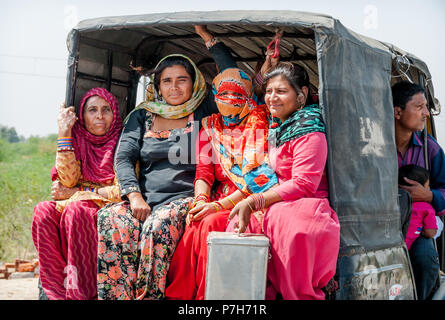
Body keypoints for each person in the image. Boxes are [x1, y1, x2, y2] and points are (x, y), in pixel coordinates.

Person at [96, 26, 237, 300]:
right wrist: (134, 196)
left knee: (157, 225)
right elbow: (123, 157)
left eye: (181, 80)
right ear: (157, 86)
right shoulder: (142, 116)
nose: (174, 87)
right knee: (110, 217)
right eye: (167, 81)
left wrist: (209, 40)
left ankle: (151, 297)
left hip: (187, 198)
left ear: (193, 82)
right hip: (144, 200)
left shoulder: (205, 110)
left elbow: (232, 78)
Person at [227, 62, 341, 300]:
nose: (271, 98)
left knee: (293, 227)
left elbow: (304, 184)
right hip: (277, 200)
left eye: (281, 91)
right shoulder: (277, 127)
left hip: (305, 203)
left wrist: (255, 202)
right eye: (268, 91)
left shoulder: (310, 129)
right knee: (232, 227)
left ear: (302, 95)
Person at [165, 67, 278, 300]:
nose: (229, 102)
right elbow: (204, 171)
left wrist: (216, 207)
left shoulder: (258, 122)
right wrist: (201, 200)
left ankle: (208, 297)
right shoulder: (211, 125)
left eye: (237, 96)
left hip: (248, 200)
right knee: (193, 224)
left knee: (209, 225)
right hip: (216, 198)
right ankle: (180, 296)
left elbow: (256, 179)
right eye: (222, 96)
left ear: (248, 98)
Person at [32, 88, 123, 300]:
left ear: (115, 113)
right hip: (74, 202)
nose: (99, 116)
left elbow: (121, 190)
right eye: (92, 110)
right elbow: (67, 180)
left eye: (106, 109)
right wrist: (64, 133)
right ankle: (55, 292)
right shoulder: (78, 139)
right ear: (82, 116)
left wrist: (77, 193)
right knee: (43, 211)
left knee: (76, 210)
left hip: (107, 206)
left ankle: (81, 293)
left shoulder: (123, 142)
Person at [392, 80, 445, 300]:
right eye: (419, 107)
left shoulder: (430, 147)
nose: (426, 113)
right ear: (397, 111)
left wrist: (430, 196)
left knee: (425, 259)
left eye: (426, 107)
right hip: (380, 224)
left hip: (418, 225)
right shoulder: (374, 145)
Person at [398, 164, 437, 249]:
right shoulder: (426, 208)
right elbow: (430, 232)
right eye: (428, 186)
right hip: (406, 249)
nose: (429, 189)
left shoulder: (394, 202)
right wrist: (420, 231)